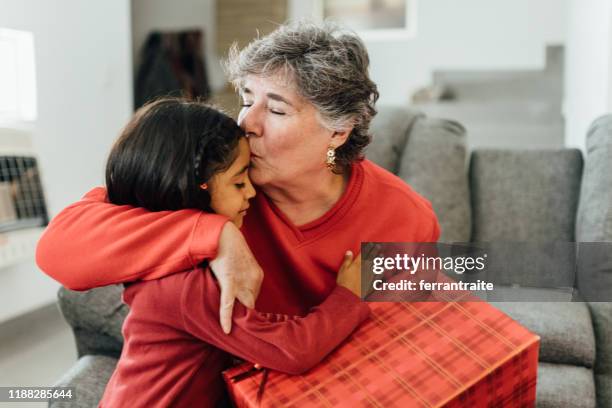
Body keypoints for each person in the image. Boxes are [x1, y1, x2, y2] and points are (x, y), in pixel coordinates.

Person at [36, 22, 439, 330]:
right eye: (247, 99)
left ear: (338, 130)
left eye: (277, 110)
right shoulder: (215, 178)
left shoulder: (403, 218)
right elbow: (57, 250)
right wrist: (216, 236)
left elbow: (406, 333)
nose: (247, 122)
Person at [89, 98, 369, 407]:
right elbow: (293, 350)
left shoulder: (184, 260)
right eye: (238, 183)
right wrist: (349, 295)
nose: (251, 192)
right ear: (195, 189)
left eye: (277, 109)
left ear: (339, 132)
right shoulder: (186, 285)